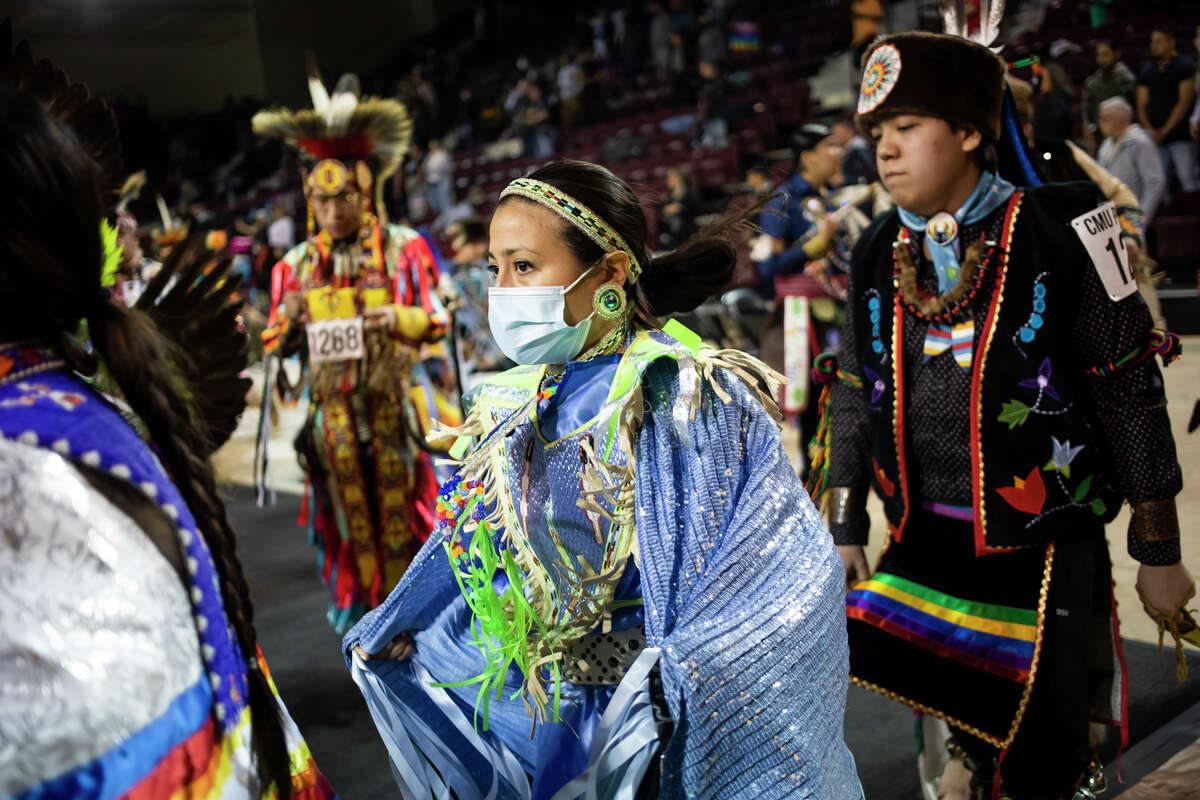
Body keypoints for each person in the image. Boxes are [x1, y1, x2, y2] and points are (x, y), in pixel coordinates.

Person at [344, 160, 862, 799]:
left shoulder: (683, 395)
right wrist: (410, 625)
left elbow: (776, 571)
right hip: (562, 721)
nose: (502, 290)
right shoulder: (515, 405)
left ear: (610, 273)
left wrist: (686, 672)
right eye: (495, 269)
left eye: (524, 267)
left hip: (660, 727)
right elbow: (472, 550)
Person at [825, 32, 1193, 800]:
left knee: (1042, 758)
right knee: (954, 733)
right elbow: (856, 386)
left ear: (968, 131)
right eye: (877, 136)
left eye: (907, 129)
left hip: (1044, 541)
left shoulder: (1066, 229)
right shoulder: (876, 252)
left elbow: (1127, 385)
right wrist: (845, 520)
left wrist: (1158, 545)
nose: (885, 153)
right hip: (925, 536)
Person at [0, 32, 333, 799]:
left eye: (342, 189)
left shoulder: (31, 468)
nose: (331, 201)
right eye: (319, 188)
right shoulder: (68, 407)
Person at [253, 59, 451, 633]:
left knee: (404, 514)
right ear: (310, 202)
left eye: (345, 200)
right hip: (332, 416)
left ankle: (418, 610)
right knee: (347, 519)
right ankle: (367, 617)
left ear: (366, 193)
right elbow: (275, 342)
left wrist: (398, 316)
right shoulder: (293, 267)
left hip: (392, 408)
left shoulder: (404, 248)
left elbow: (438, 317)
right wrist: (288, 322)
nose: (335, 212)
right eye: (323, 202)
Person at [756, 124, 851, 460]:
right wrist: (813, 247)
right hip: (801, 317)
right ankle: (815, 471)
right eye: (830, 147)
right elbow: (767, 266)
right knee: (813, 392)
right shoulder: (783, 201)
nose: (838, 154)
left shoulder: (827, 199)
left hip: (835, 307)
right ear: (808, 157)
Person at [1137, 26, 1199, 202]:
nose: (1154, 46)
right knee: (1159, 184)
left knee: (1187, 179)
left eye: (1159, 41)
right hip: (1155, 139)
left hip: (1181, 135)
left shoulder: (1185, 66)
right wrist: (1151, 131)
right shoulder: (1147, 71)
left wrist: (1164, 130)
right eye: (1152, 42)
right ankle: (1168, 223)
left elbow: (1184, 103)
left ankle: (1193, 219)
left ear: (1171, 43)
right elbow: (1141, 105)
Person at [1099, 96, 1166, 222]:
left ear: (1121, 118)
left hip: (1132, 216)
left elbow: (1155, 183)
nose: (1100, 122)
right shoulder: (1105, 146)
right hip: (1112, 217)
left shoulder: (1140, 143)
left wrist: (1140, 220)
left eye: (1105, 118)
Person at [1082, 40, 1137, 150]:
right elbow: (1086, 110)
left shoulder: (1126, 78)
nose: (1102, 59)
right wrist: (1088, 130)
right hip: (1101, 135)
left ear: (1116, 54)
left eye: (1106, 55)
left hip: (1125, 135)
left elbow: (1133, 108)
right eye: (1099, 55)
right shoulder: (1092, 83)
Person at [1033, 62, 1077, 144]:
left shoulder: (1059, 103)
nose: (1040, 82)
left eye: (1043, 78)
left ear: (1053, 79)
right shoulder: (1045, 101)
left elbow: (1050, 131)